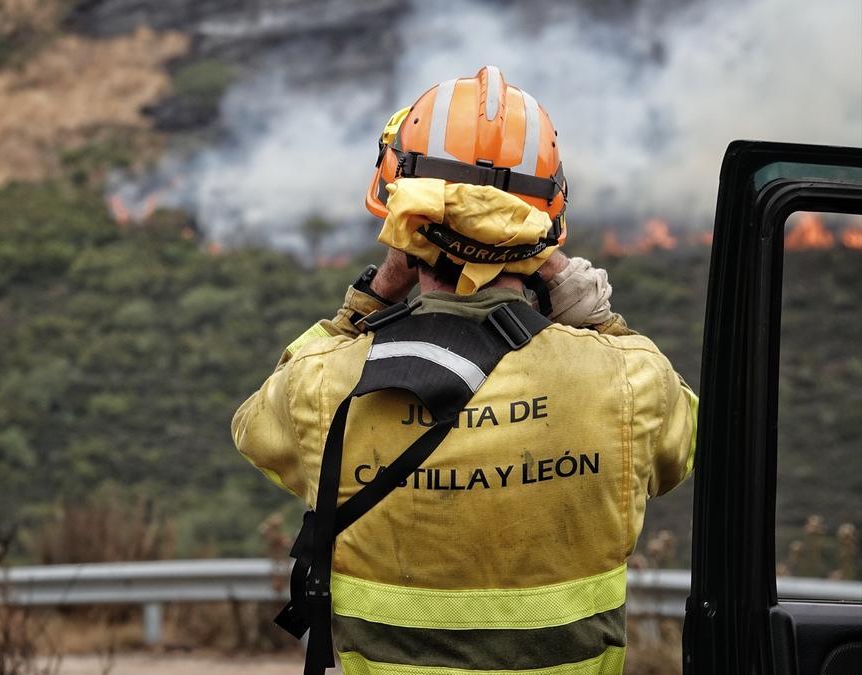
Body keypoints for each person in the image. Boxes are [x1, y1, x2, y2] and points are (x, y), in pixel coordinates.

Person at [231, 66, 697, 675]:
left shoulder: (320, 385)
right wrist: (590, 311)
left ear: (403, 220)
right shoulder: (630, 381)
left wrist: (368, 299)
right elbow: (684, 444)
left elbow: (254, 428)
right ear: (545, 226)